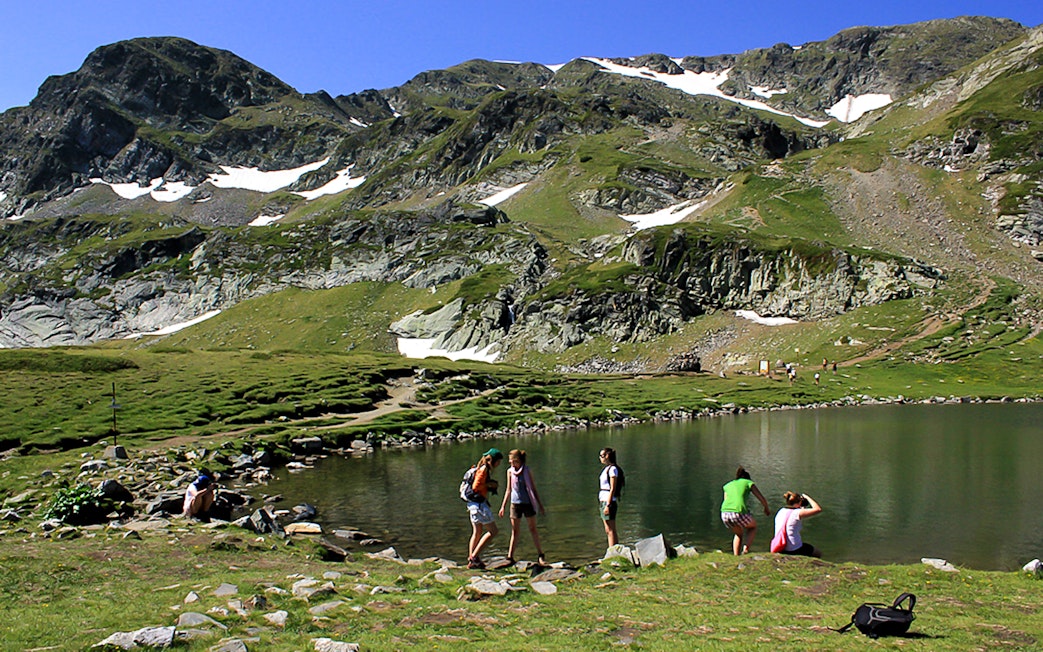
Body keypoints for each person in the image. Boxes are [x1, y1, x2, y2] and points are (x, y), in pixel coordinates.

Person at [498, 449, 547, 565]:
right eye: (510, 462)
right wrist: (503, 506)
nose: (512, 464)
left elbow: (533, 489)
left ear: (519, 461)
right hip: (515, 504)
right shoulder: (509, 472)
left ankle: (540, 554)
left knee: (533, 529)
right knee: (515, 530)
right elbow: (508, 490)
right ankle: (510, 556)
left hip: (528, 503)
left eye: (514, 461)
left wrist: (540, 505)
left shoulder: (527, 470)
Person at [465, 448, 504, 569]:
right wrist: (490, 484)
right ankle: (474, 557)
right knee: (493, 531)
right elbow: (476, 487)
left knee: (477, 532)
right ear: (493, 460)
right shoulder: (483, 470)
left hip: (473, 505)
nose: (499, 464)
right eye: (498, 461)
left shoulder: (481, 468)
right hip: (479, 505)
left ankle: (472, 561)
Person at [720, 466, 770, 555]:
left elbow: (726, 500)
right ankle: (746, 550)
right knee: (753, 527)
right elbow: (761, 498)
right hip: (738, 512)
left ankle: (736, 556)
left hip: (724, 513)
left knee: (738, 534)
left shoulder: (728, 485)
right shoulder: (749, 482)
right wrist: (766, 508)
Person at [774, 491, 823, 557]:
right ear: (799, 502)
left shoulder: (781, 511)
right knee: (817, 553)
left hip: (780, 546)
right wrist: (807, 497)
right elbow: (818, 509)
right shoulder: (797, 513)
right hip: (793, 549)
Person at [598, 447, 623, 548]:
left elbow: (613, 488)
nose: (600, 458)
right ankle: (614, 549)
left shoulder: (613, 469)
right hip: (603, 499)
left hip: (608, 501)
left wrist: (608, 505)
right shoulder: (607, 469)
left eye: (602, 456)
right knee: (608, 529)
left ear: (607, 456)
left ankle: (613, 551)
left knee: (611, 529)